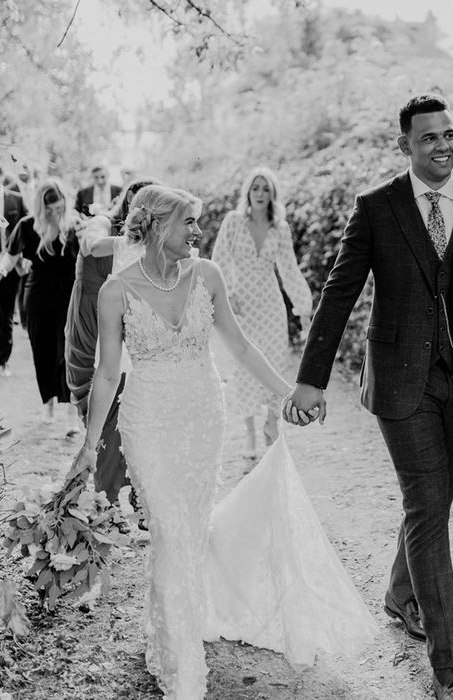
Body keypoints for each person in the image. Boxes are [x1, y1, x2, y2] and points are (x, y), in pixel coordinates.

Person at [284, 94, 453, 700]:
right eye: (428, 137)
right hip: (402, 381)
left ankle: (400, 594)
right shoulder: (376, 208)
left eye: (449, 134)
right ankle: (448, 669)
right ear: (404, 144)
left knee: (431, 508)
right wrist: (311, 377)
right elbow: (338, 290)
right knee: (430, 512)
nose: (442, 146)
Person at [71, 185, 375, 698]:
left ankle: (166, 633)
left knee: (187, 531)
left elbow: (238, 344)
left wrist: (289, 395)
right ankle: (184, 674)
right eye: (189, 222)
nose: (198, 231)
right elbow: (105, 375)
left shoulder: (207, 276)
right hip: (147, 420)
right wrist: (88, 445)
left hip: (203, 415)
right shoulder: (115, 292)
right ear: (159, 226)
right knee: (169, 531)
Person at [64, 178, 159, 504]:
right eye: (137, 203)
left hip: (120, 327)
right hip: (89, 324)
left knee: (124, 407)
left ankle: (121, 490)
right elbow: (91, 244)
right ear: (126, 202)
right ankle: (108, 493)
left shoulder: (152, 243)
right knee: (95, 401)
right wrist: (127, 240)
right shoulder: (104, 223)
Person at [212, 167, 312, 457]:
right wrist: (227, 294)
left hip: (270, 304)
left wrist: (302, 306)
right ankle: (250, 434)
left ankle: (271, 422)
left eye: (265, 189)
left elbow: (289, 269)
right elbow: (219, 259)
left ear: (272, 194)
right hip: (242, 304)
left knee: (274, 361)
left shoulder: (280, 228)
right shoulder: (233, 221)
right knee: (243, 367)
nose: (259, 193)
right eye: (255, 188)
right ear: (248, 192)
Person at [0, 180, 81, 432]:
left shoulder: (74, 224)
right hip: (37, 293)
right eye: (51, 209)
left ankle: (70, 411)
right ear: (40, 206)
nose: (56, 213)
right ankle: (47, 402)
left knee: (66, 349)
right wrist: (1, 270)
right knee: (42, 349)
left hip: (68, 293)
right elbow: (11, 258)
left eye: (59, 207)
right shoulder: (27, 225)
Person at [0, 162, 28, 377]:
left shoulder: (15, 199)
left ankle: (3, 360)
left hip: (10, 265)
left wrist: (25, 257)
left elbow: (27, 226)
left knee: (6, 313)